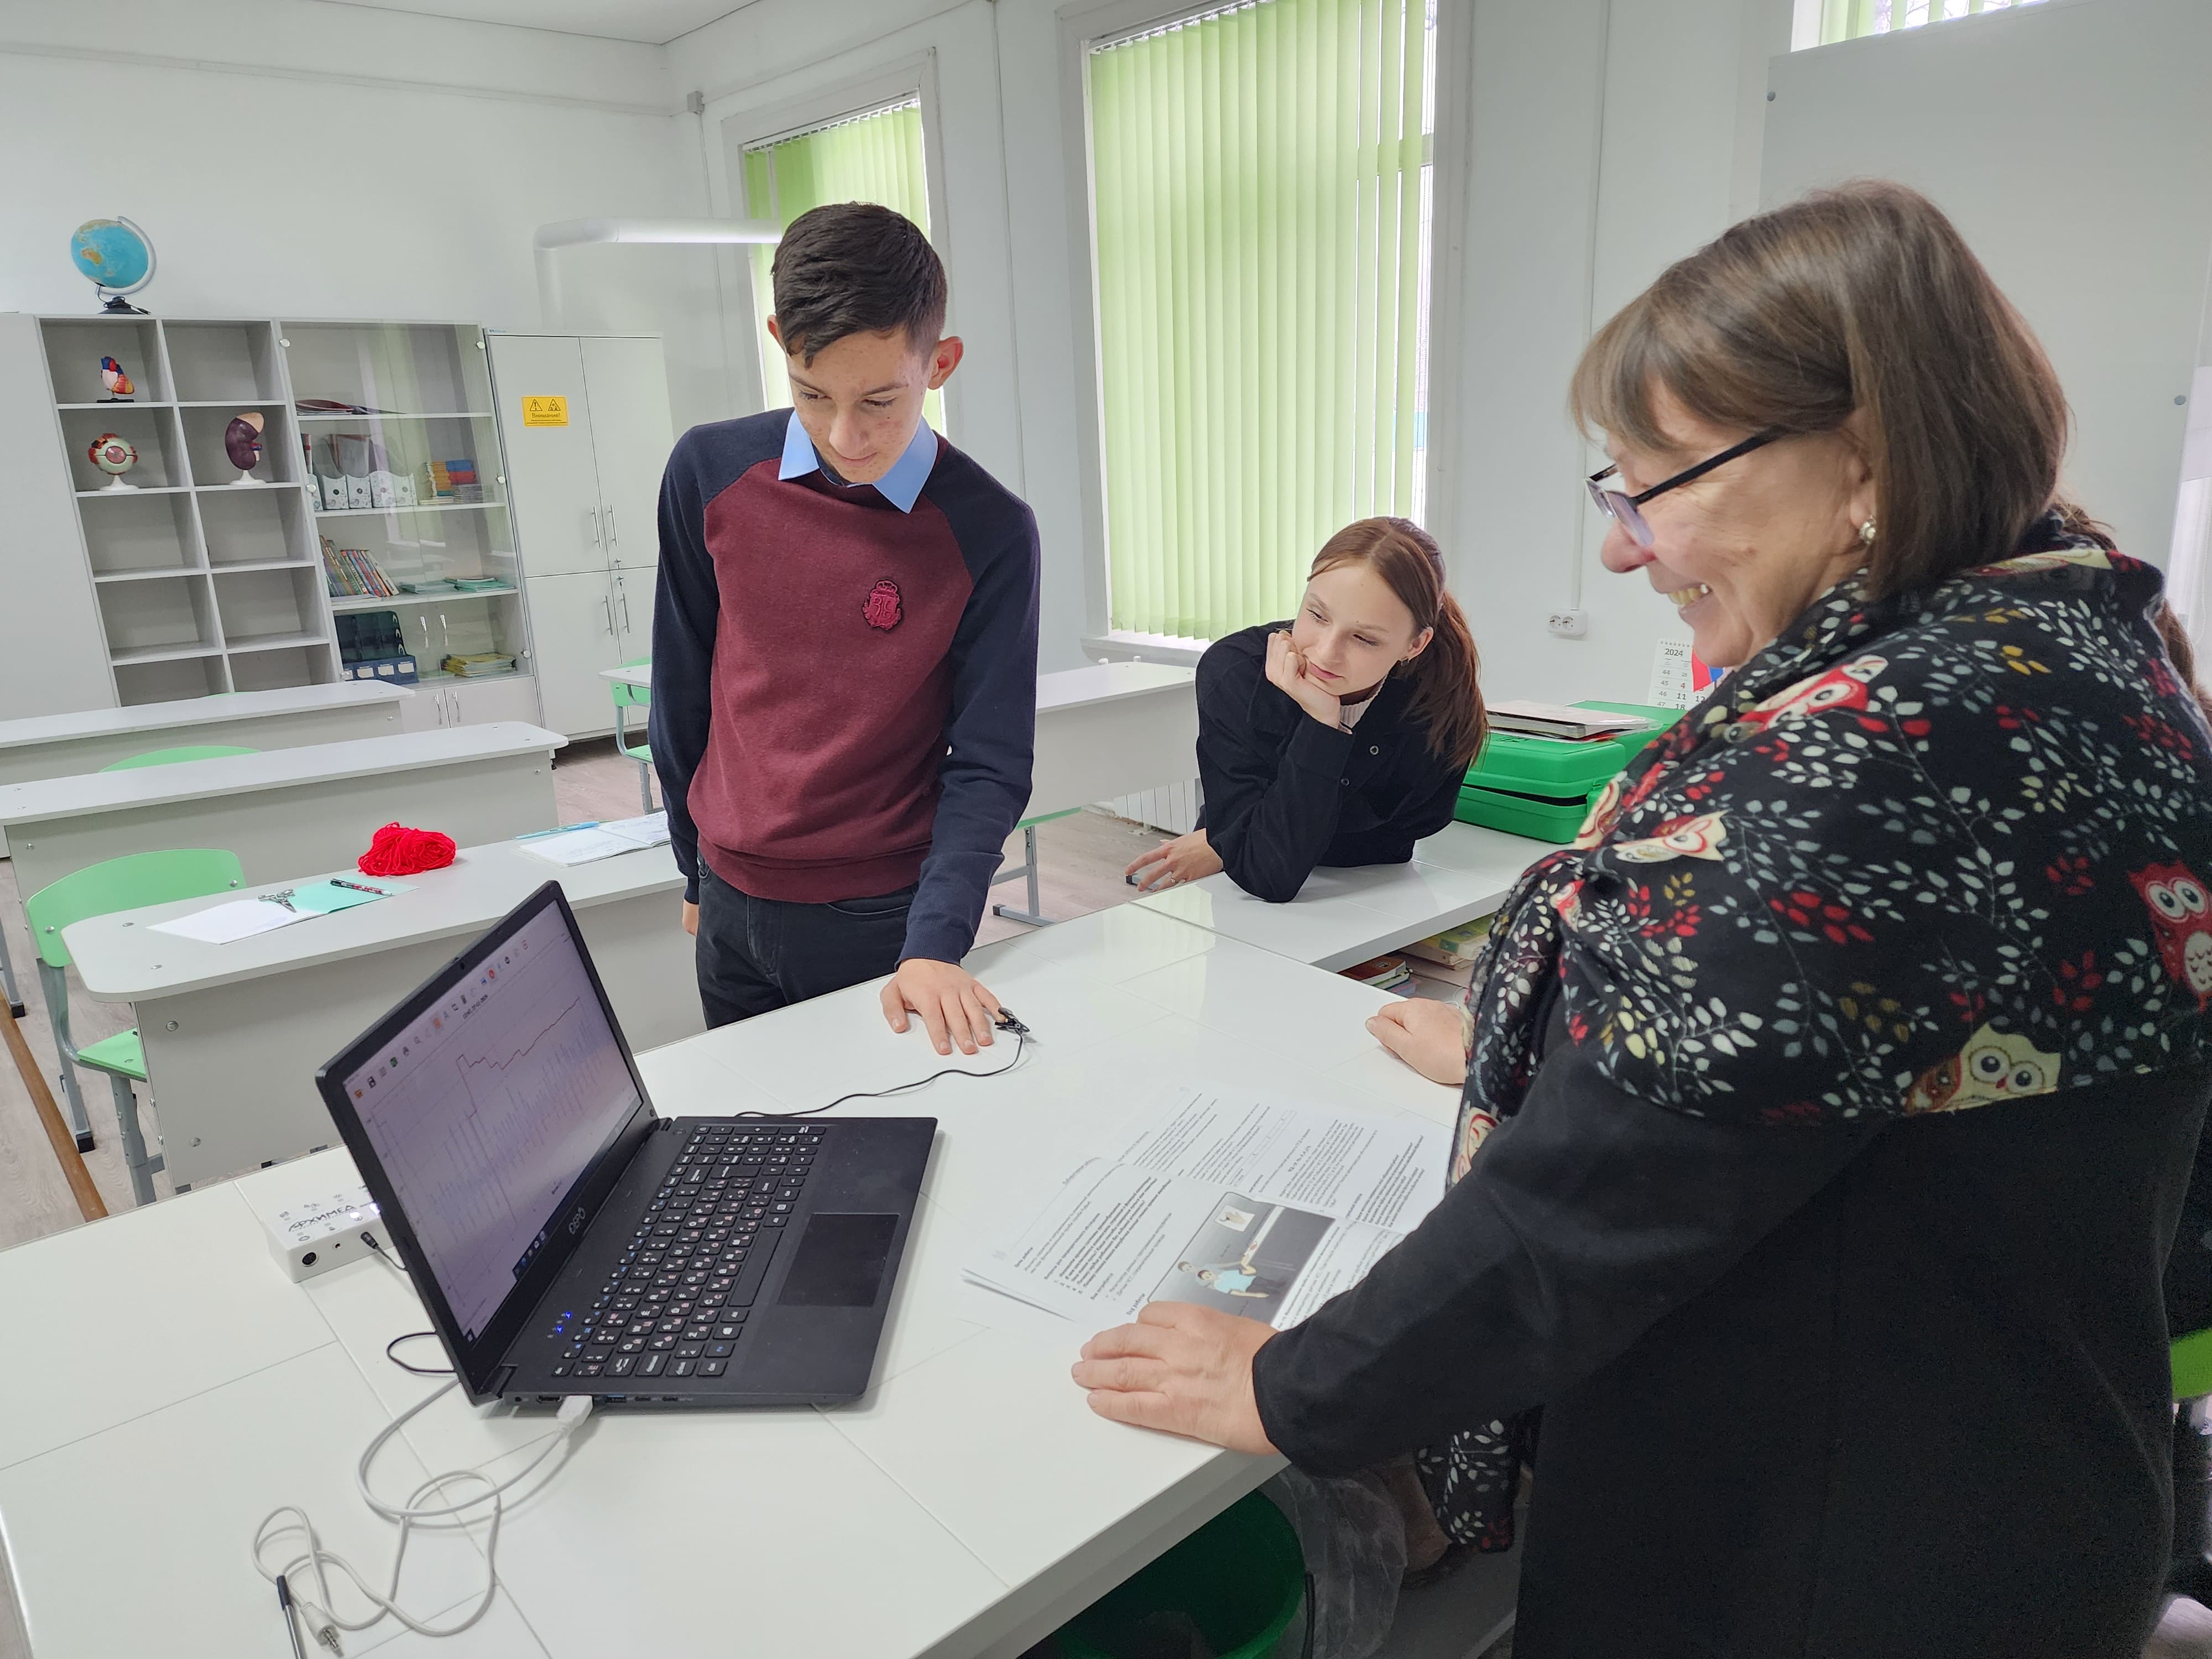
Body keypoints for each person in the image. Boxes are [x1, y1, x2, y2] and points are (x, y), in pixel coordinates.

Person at [1073, 181, 2212, 1657]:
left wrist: (1293, 1387)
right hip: (2020, 1478)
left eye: (1654, 483)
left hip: (1828, 1552)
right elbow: (1863, 1047)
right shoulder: (2081, 643)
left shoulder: (1879, 756)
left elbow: (1589, 1211)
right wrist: (1545, 1041)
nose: (1625, 549)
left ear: (1858, 459)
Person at [651, 202, 1040, 1057]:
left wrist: (936, 939)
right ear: (779, 339)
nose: (843, 435)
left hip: (879, 920)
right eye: (812, 394)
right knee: (756, 1151)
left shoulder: (990, 530)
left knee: (887, 1162)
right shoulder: (707, 474)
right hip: (727, 906)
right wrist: (695, 867)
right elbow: (683, 689)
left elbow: (990, 761)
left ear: (940, 364)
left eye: (879, 400)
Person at [1125, 518, 1485, 902]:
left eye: (1364, 639)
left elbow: (1408, 832)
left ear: (1415, 645)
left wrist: (1232, 839)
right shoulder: (1236, 674)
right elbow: (1266, 875)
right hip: (1243, 896)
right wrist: (1321, 723)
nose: (1326, 652)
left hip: (1377, 891)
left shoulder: (1439, 691)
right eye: (1317, 615)